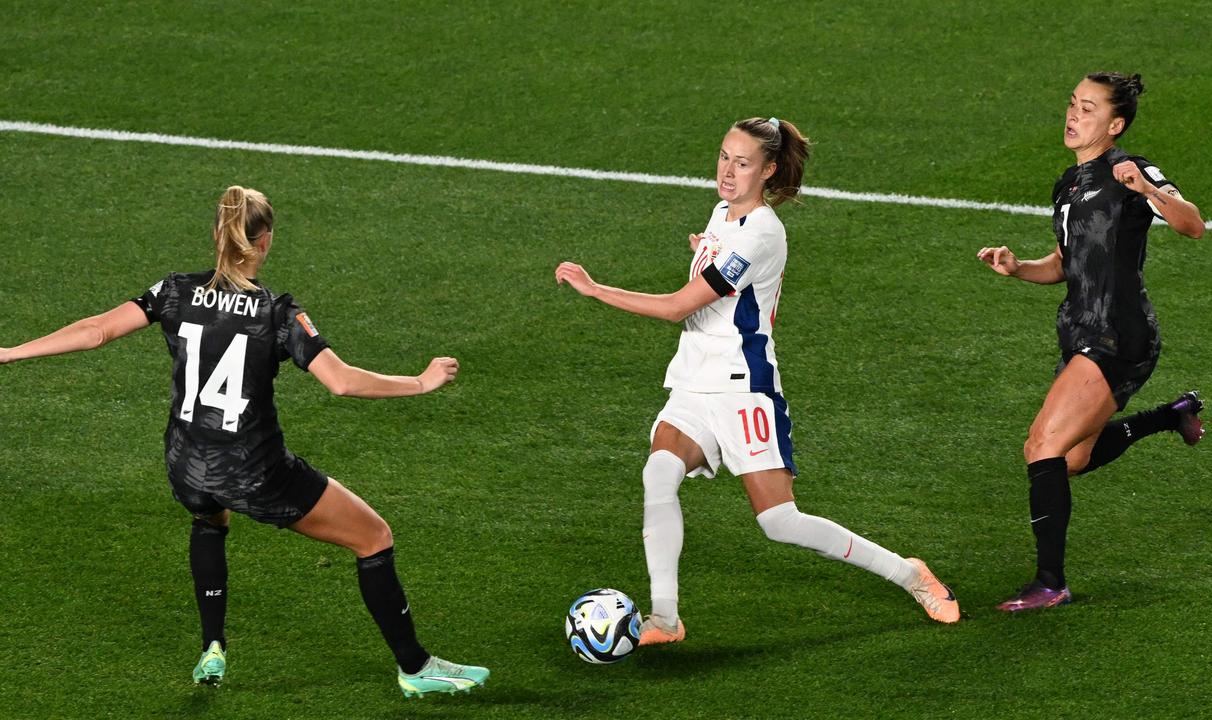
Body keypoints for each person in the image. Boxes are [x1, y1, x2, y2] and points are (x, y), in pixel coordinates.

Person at [0, 186, 488, 697]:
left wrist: (11, 352)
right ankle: (415, 668)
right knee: (373, 536)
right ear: (266, 241)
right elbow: (341, 382)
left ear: (216, 235)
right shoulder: (276, 311)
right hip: (254, 471)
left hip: (184, 461)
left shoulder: (173, 290)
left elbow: (96, 330)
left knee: (209, 516)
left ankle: (213, 645)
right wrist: (420, 381)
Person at [556, 117, 960, 644]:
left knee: (780, 522)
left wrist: (596, 289)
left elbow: (680, 306)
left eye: (742, 163)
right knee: (658, 475)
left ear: (768, 170)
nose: (727, 171)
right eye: (724, 156)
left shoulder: (765, 232)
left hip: (743, 386)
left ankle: (911, 574)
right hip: (694, 381)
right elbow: (710, 282)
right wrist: (706, 249)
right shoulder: (723, 212)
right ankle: (665, 618)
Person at [976, 73, 1206, 612]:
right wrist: (1017, 268)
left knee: (1041, 446)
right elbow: (1063, 264)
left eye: (1087, 108)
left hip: (1117, 333)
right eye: (1072, 104)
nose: (1073, 115)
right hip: (1082, 330)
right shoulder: (1068, 185)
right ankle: (1172, 415)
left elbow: (1193, 225)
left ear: (1115, 124)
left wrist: (1146, 190)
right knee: (1072, 459)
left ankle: (1050, 581)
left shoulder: (1132, 170)